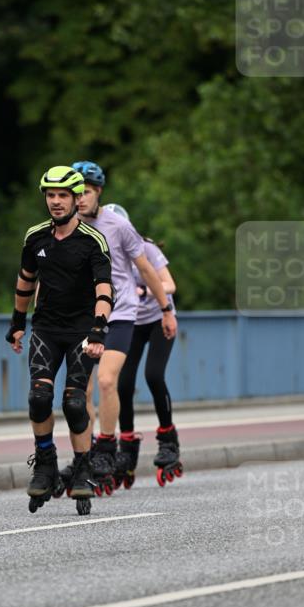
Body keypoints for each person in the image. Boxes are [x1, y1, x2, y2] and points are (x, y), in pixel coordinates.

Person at [5, 165, 113, 512]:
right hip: (47, 329)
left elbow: (104, 288)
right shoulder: (35, 237)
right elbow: (25, 281)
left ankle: (82, 470)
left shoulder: (92, 241)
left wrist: (99, 328)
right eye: (50, 195)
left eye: (62, 195)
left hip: (83, 331)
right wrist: (18, 322)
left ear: (76, 197)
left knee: (74, 403)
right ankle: (46, 462)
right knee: (39, 398)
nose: (55, 202)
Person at [72, 160, 177, 490]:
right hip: (88, 317)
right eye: (74, 193)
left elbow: (151, 273)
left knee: (136, 378)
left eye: (85, 192)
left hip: (129, 316)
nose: (78, 199)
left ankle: (148, 441)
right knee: (93, 389)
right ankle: (93, 454)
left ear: (98, 192)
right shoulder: (65, 226)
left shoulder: (121, 228)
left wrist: (165, 308)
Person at [105, 204, 182, 488]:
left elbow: (169, 284)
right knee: (123, 383)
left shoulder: (145, 248)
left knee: (153, 375)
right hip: (131, 324)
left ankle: (168, 439)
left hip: (159, 319)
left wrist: (145, 292)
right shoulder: (106, 255)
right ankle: (126, 446)